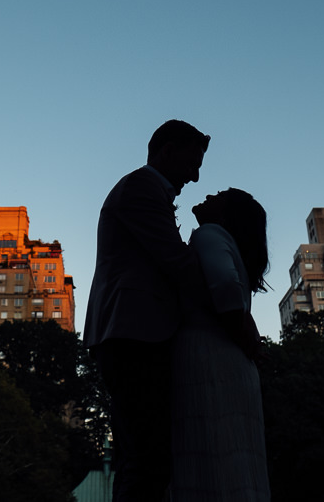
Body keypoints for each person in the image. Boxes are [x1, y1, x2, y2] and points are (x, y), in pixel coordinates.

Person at [83, 120, 211, 502]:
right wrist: (230, 312)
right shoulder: (140, 189)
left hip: (133, 332)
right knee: (148, 460)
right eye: (193, 163)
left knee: (139, 458)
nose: (196, 176)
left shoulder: (145, 190)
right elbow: (176, 261)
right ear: (167, 151)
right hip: (133, 334)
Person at [171, 188, 271, 501]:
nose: (212, 193)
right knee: (234, 465)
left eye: (222, 194)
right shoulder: (228, 246)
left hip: (209, 360)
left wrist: (243, 337)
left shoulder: (209, 234)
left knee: (207, 463)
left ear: (226, 213)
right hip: (231, 365)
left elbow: (225, 288)